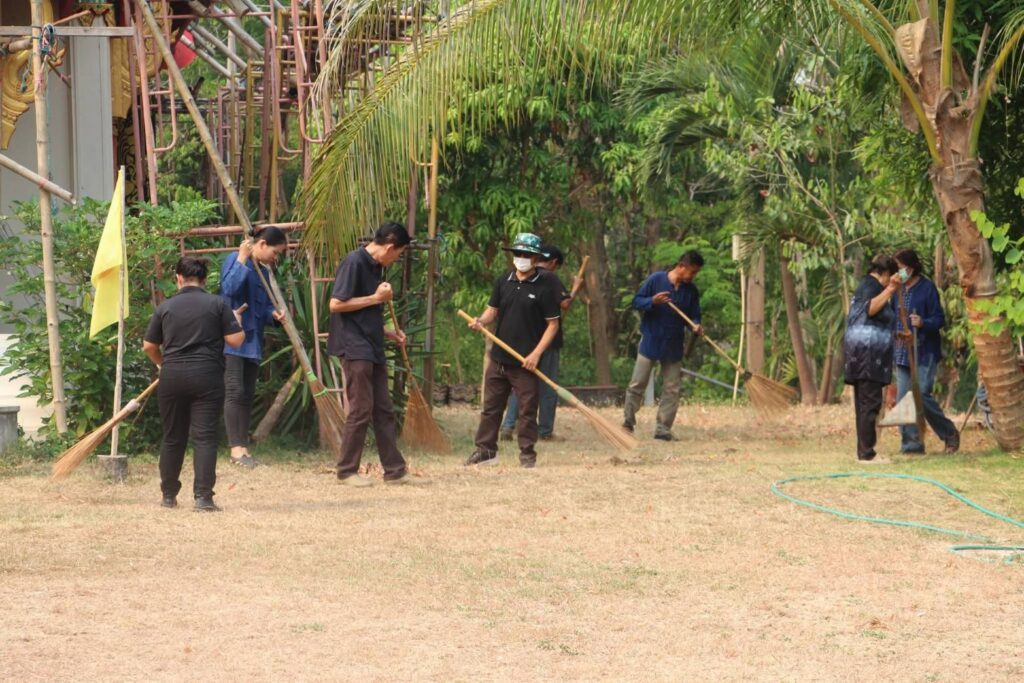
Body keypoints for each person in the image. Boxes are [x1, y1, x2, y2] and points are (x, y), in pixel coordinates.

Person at [328, 221, 427, 487]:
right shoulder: (354, 262)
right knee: (361, 408)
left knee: (383, 409)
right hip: (353, 346)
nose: (396, 259)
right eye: (399, 254)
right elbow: (336, 304)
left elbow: (364, 313)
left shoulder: (377, 267)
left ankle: (395, 471)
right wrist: (375, 298)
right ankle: (346, 471)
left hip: (372, 344)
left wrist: (389, 332)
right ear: (390, 247)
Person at [143, 257, 245, 511]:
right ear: (204, 279)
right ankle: (203, 498)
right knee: (205, 438)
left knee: (172, 437)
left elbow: (149, 346)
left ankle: (168, 495)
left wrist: (163, 364)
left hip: (172, 376)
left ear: (178, 278)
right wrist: (237, 321)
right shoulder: (217, 304)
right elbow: (235, 341)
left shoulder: (165, 307)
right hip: (207, 376)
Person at [466, 232, 561, 468]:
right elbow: (492, 310)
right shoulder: (503, 280)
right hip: (499, 358)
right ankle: (486, 451)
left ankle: (527, 454)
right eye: (518, 253)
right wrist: (480, 321)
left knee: (527, 409)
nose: (521, 258)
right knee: (491, 408)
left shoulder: (545, 286)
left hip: (525, 361)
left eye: (526, 255)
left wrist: (536, 354)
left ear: (535, 258)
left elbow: (553, 325)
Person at [499, 244, 583, 442]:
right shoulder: (550, 277)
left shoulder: (521, 275)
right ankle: (545, 431)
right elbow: (565, 303)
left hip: (524, 341)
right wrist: (576, 288)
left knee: (520, 385)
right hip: (546, 342)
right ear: (553, 262)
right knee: (547, 387)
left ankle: (508, 425)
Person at [219, 226, 288, 468]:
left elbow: (264, 307)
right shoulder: (234, 259)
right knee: (235, 391)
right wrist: (242, 257)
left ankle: (243, 447)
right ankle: (235, 449)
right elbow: (229, 289)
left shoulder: (264, 272)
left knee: (247, 394)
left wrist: (274, 315)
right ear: (262, 244)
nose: (275, 258)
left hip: (253, 341)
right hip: (233, 338)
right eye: (275, 252)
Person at [623, 250, 704, 441]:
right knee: (637, 383)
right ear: (681, 266)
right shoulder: (656, 280)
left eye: (696, 273)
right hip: (651, 340)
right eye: (692, 272)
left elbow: (694, 315)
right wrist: (653, 300)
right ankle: (628, 422)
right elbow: (636, 301)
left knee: (671, 388)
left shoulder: (691, 291)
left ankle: (663, 429)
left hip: (674, 344)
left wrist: (696, 325)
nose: (693, 276)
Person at [890, 248, 959, 454]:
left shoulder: (927, 288)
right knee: (904, 400)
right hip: (902, 352)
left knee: (920, 394)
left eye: (900, 268)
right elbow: (892, 316)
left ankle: (949, 433)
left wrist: (922, 322)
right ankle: (912, 446)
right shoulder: (897, 290)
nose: (897, 272)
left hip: (924, 351)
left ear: (910, 268)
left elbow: (939, 319)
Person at [843, 255, 899, 462]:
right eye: (890, 276)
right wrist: (891, 289)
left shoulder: (869, 286)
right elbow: (870, 308)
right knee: (870, 403)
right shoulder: (872, 285)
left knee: (865, 404)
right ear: (884, 273)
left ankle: (864, 452)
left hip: (862, 353)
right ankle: (867, 454)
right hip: (867, 353)